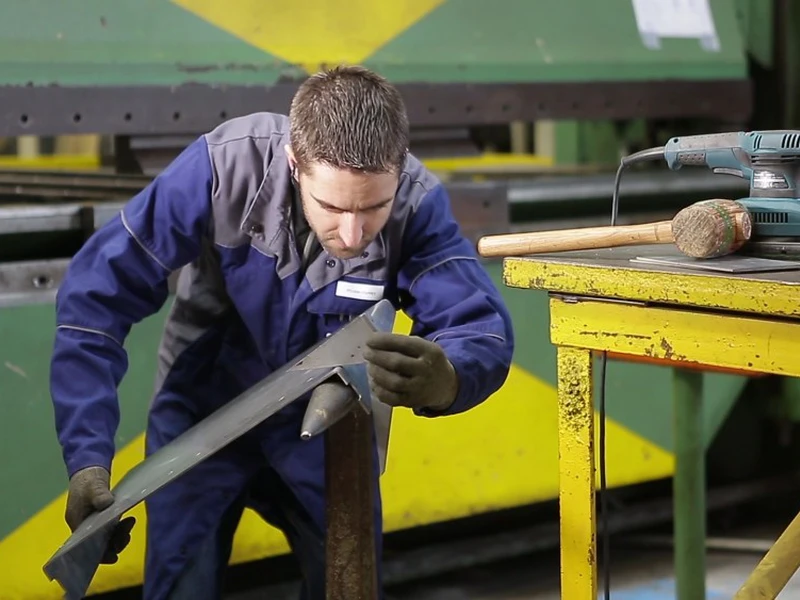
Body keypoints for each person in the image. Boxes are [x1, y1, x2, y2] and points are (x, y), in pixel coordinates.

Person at [50, 65, 515, 599]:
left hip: (329, 425)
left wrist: (450, 378)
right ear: (295, 164)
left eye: (374, 208)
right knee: (183, 584)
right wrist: (87, 457)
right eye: (334, 206)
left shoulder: (416, 203)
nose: (354, 233)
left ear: (399, 173)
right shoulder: (222, 170)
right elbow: (94, 300)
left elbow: (477, 326)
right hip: (201, 415)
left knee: (348, 585)